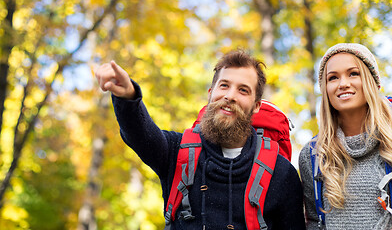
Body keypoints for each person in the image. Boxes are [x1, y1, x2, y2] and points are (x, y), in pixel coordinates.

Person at [95, 49, 306, 229]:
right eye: (224, 85)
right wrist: (127, 95)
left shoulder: (281, 173)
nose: (230, 95)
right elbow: (140, 134)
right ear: (210, 92)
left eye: (243, 90)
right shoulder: (178, 152)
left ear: (257, 105)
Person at [299, 43, 392, 230]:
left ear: (371, 81)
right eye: (333, 78)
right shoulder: (312, 156)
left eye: (353, 74)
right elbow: (313, 222)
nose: (343, 84)